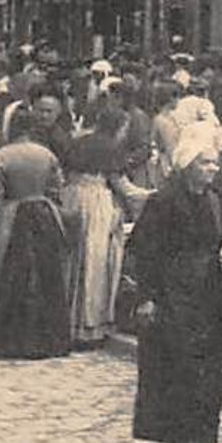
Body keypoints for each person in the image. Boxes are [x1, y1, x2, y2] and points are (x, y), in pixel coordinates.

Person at [127, 130, 222, 443]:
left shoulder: (215, 199)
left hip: (210, 290)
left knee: (210, 362)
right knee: (176, 360)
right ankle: (175, 434)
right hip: (172, 291)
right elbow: (146, 252)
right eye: (204, 163)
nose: (212, 169)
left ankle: (202, 433)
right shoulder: (163, 202)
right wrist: (147, 296)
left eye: (214, 163)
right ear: (187, 165)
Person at [0, 107, 71, 359]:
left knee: (9, 276)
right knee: (45, 276)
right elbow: (57, 190)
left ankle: (9, 339)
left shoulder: (1, 157)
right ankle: (47, 338)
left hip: (11, 217)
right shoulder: (46, 155)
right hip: (43, 213)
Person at [59, 104, 129, 347]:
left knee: (72, 261)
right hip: (95, 201)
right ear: (118, 128)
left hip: (70, 197)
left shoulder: (79, 141)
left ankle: (67, 321)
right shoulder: (111, 147)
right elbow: (120, 185)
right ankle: (89, 326)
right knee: (94, 261)